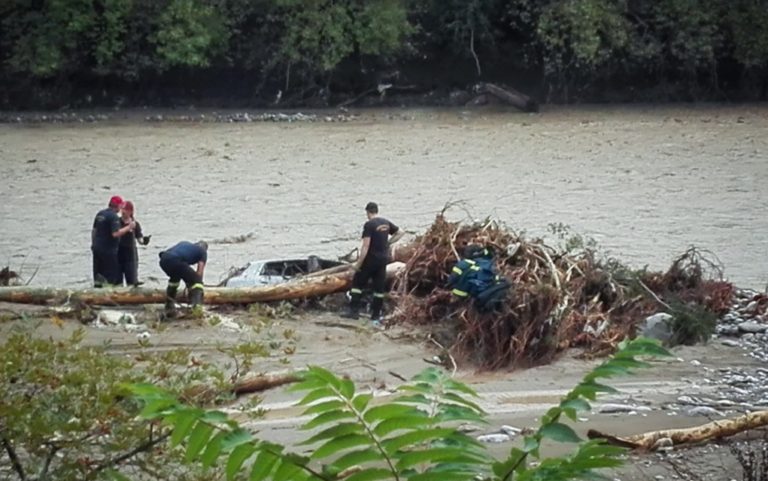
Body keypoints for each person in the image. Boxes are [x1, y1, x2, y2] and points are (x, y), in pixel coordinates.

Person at [342, 202, 404, 325]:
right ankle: (375, 315)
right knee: (379, 288)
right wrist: (388, 243)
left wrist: (358, 264)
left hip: (371, 259)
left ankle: (354, 312)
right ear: (377, 211)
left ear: (368, 212)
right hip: (383, 260)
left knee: (357, 284)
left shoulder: (369, 225)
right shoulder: (385, 222)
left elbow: (365, 246)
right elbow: (401, 232)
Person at [447, 244, 509, 313]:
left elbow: (451, 280)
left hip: (467, 296)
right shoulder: (486, 263)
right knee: (505, 284)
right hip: (483, 296)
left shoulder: (462, 264)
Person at [91, 195, 135, 287]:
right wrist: (129, 227)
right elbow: (115, 234)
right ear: (117, 206)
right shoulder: (113, 217)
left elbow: (94, 231)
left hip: (96, 248)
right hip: (108, 250)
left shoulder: (100, 214)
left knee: (98, 273)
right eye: (120, 206)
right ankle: (110, 293)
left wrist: (93, 244)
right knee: (111, 275)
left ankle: (97, 290)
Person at [158, 240, 208, 316]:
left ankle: (169, 305)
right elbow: (199, 272)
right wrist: (194, 286)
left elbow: (183, 271)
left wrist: (188, 283)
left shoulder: (185, 244)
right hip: (175, 260)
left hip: (164, 260)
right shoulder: (202, 252)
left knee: (175, 278)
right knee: (197, 283)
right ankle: (197, 308)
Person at [117, 201, 151, 286]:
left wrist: (145, 241)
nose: (123, 212)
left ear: (131, 212)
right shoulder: (116, 222)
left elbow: (140, 240)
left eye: (125, 210)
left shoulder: (135, 224)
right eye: (122, 210)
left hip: (130, 254)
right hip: (118, 253)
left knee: (132, 279)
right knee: (117, 280)